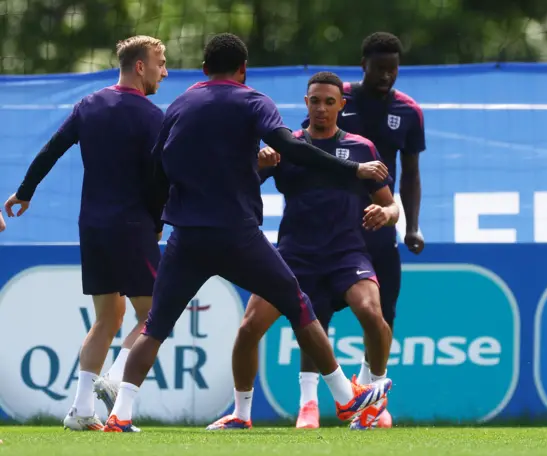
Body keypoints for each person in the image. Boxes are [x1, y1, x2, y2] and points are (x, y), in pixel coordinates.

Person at [102, 33, 392, 433]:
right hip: (237, 235)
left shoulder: (180, 104)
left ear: (204, 70)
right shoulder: (254, 101)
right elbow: (292, 147)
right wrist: (353, 169)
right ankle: (345, 398)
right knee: (299, 305)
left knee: (155, 325)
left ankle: (120, 415)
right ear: (243, 70)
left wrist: (155, 223)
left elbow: (157, 170)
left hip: (186, 235)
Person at [208, 71, 399, 431]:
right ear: (305, 102)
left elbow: (393, 208)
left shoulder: (362, 148)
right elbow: (237, 185)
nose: (322, 108)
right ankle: (241, 415)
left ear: (342, 105)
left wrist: (384, 212)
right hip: (293, 255)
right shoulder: (285, 147)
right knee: (249, 328)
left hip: (347, 253)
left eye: (330, 102)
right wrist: (258, 164)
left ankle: (372, 396)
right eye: (315, 101)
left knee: (373, 315)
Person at [3, 35, 168, 431]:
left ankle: (80, 411)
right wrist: (159, 221)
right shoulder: (152, 116)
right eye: (160, 62)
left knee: (108, 317)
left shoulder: (89, 105)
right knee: (158, 313)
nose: (165, 70)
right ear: (140, 66)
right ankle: (115, 377)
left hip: (92, 226)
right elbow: (159, 179)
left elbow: (51, 149)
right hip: (132, 226)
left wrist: (24, 193)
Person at [298, 31, 427, 428]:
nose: (388, 76)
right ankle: (309, 404)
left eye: (393, 69)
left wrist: (410, 226)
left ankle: (371, 399)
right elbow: (306, 151)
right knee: (316, 313)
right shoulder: (336, 101)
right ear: (363, 66)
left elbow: (410, 175)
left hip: (378, 227)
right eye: (380, 68)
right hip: (331, 227)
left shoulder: (408, 111)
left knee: (381, 314)